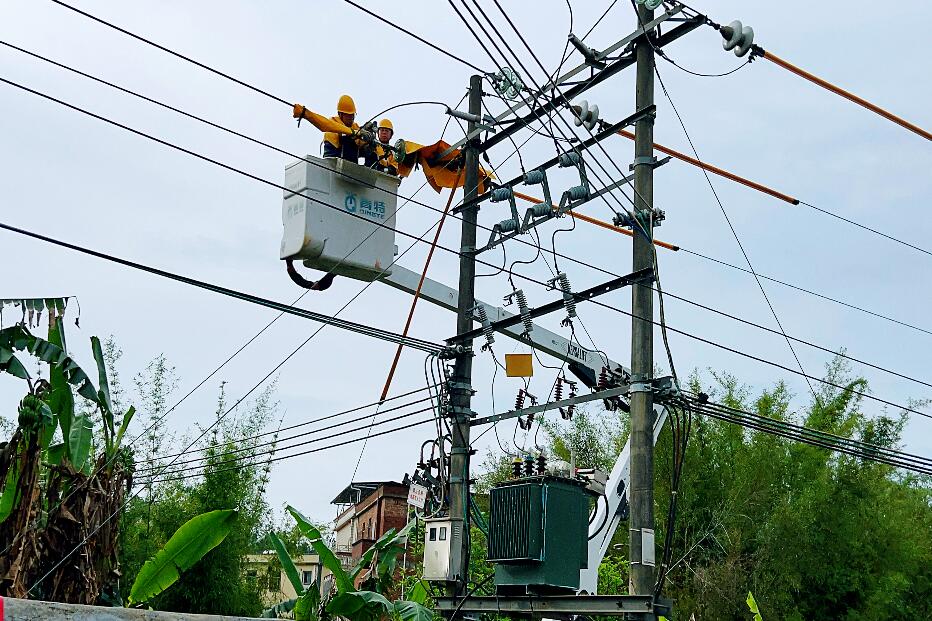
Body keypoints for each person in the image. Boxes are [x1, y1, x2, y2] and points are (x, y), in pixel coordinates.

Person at [322, 94, 368, 162]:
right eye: (348, 115)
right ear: (340, 114)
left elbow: (360, 146)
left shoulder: (355, 127)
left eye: (353, 115)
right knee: (347, 139)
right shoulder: (332, 127)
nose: (351, 118)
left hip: (351, 169)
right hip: (335, 167)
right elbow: (330, 160)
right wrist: (352, 136)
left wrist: (367, 139)